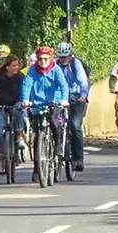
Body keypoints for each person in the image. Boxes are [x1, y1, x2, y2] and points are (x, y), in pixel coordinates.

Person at [21, 46, 69, 180]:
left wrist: (64, 99)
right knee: (37, 134)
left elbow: (63, 85)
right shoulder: (32, 70)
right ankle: (37, 169)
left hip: (55, 102)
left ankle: (58, 145)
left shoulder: (56, 69)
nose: (43, 61)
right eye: (40, 59)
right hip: (37, 104)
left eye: (46, 59)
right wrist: (25, 100)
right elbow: (26, 85)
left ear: (51, 58)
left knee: (54, 121)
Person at [0, 54, 26, 174]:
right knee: (0, 131)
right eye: (13, 66)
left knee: (18, 112)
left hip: (16, 103)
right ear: (7, 67)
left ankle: (19, 136)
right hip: (1, 105)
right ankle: (2, 159)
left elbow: (25, 89)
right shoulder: (0, 76)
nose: (16, 68)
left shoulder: (20, 77)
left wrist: (24, 101)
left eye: (17, 65)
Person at [55, 43, 90, 172]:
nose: (63, 59)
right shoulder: (55, 65)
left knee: (75, 126)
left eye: (66, 57)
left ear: (70, 56)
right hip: (60, 98)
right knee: (55, 125)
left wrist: (83, 95)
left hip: (76, 97)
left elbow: (83, 81)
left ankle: (78, 159)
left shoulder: (76, 64)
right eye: (61, 57)